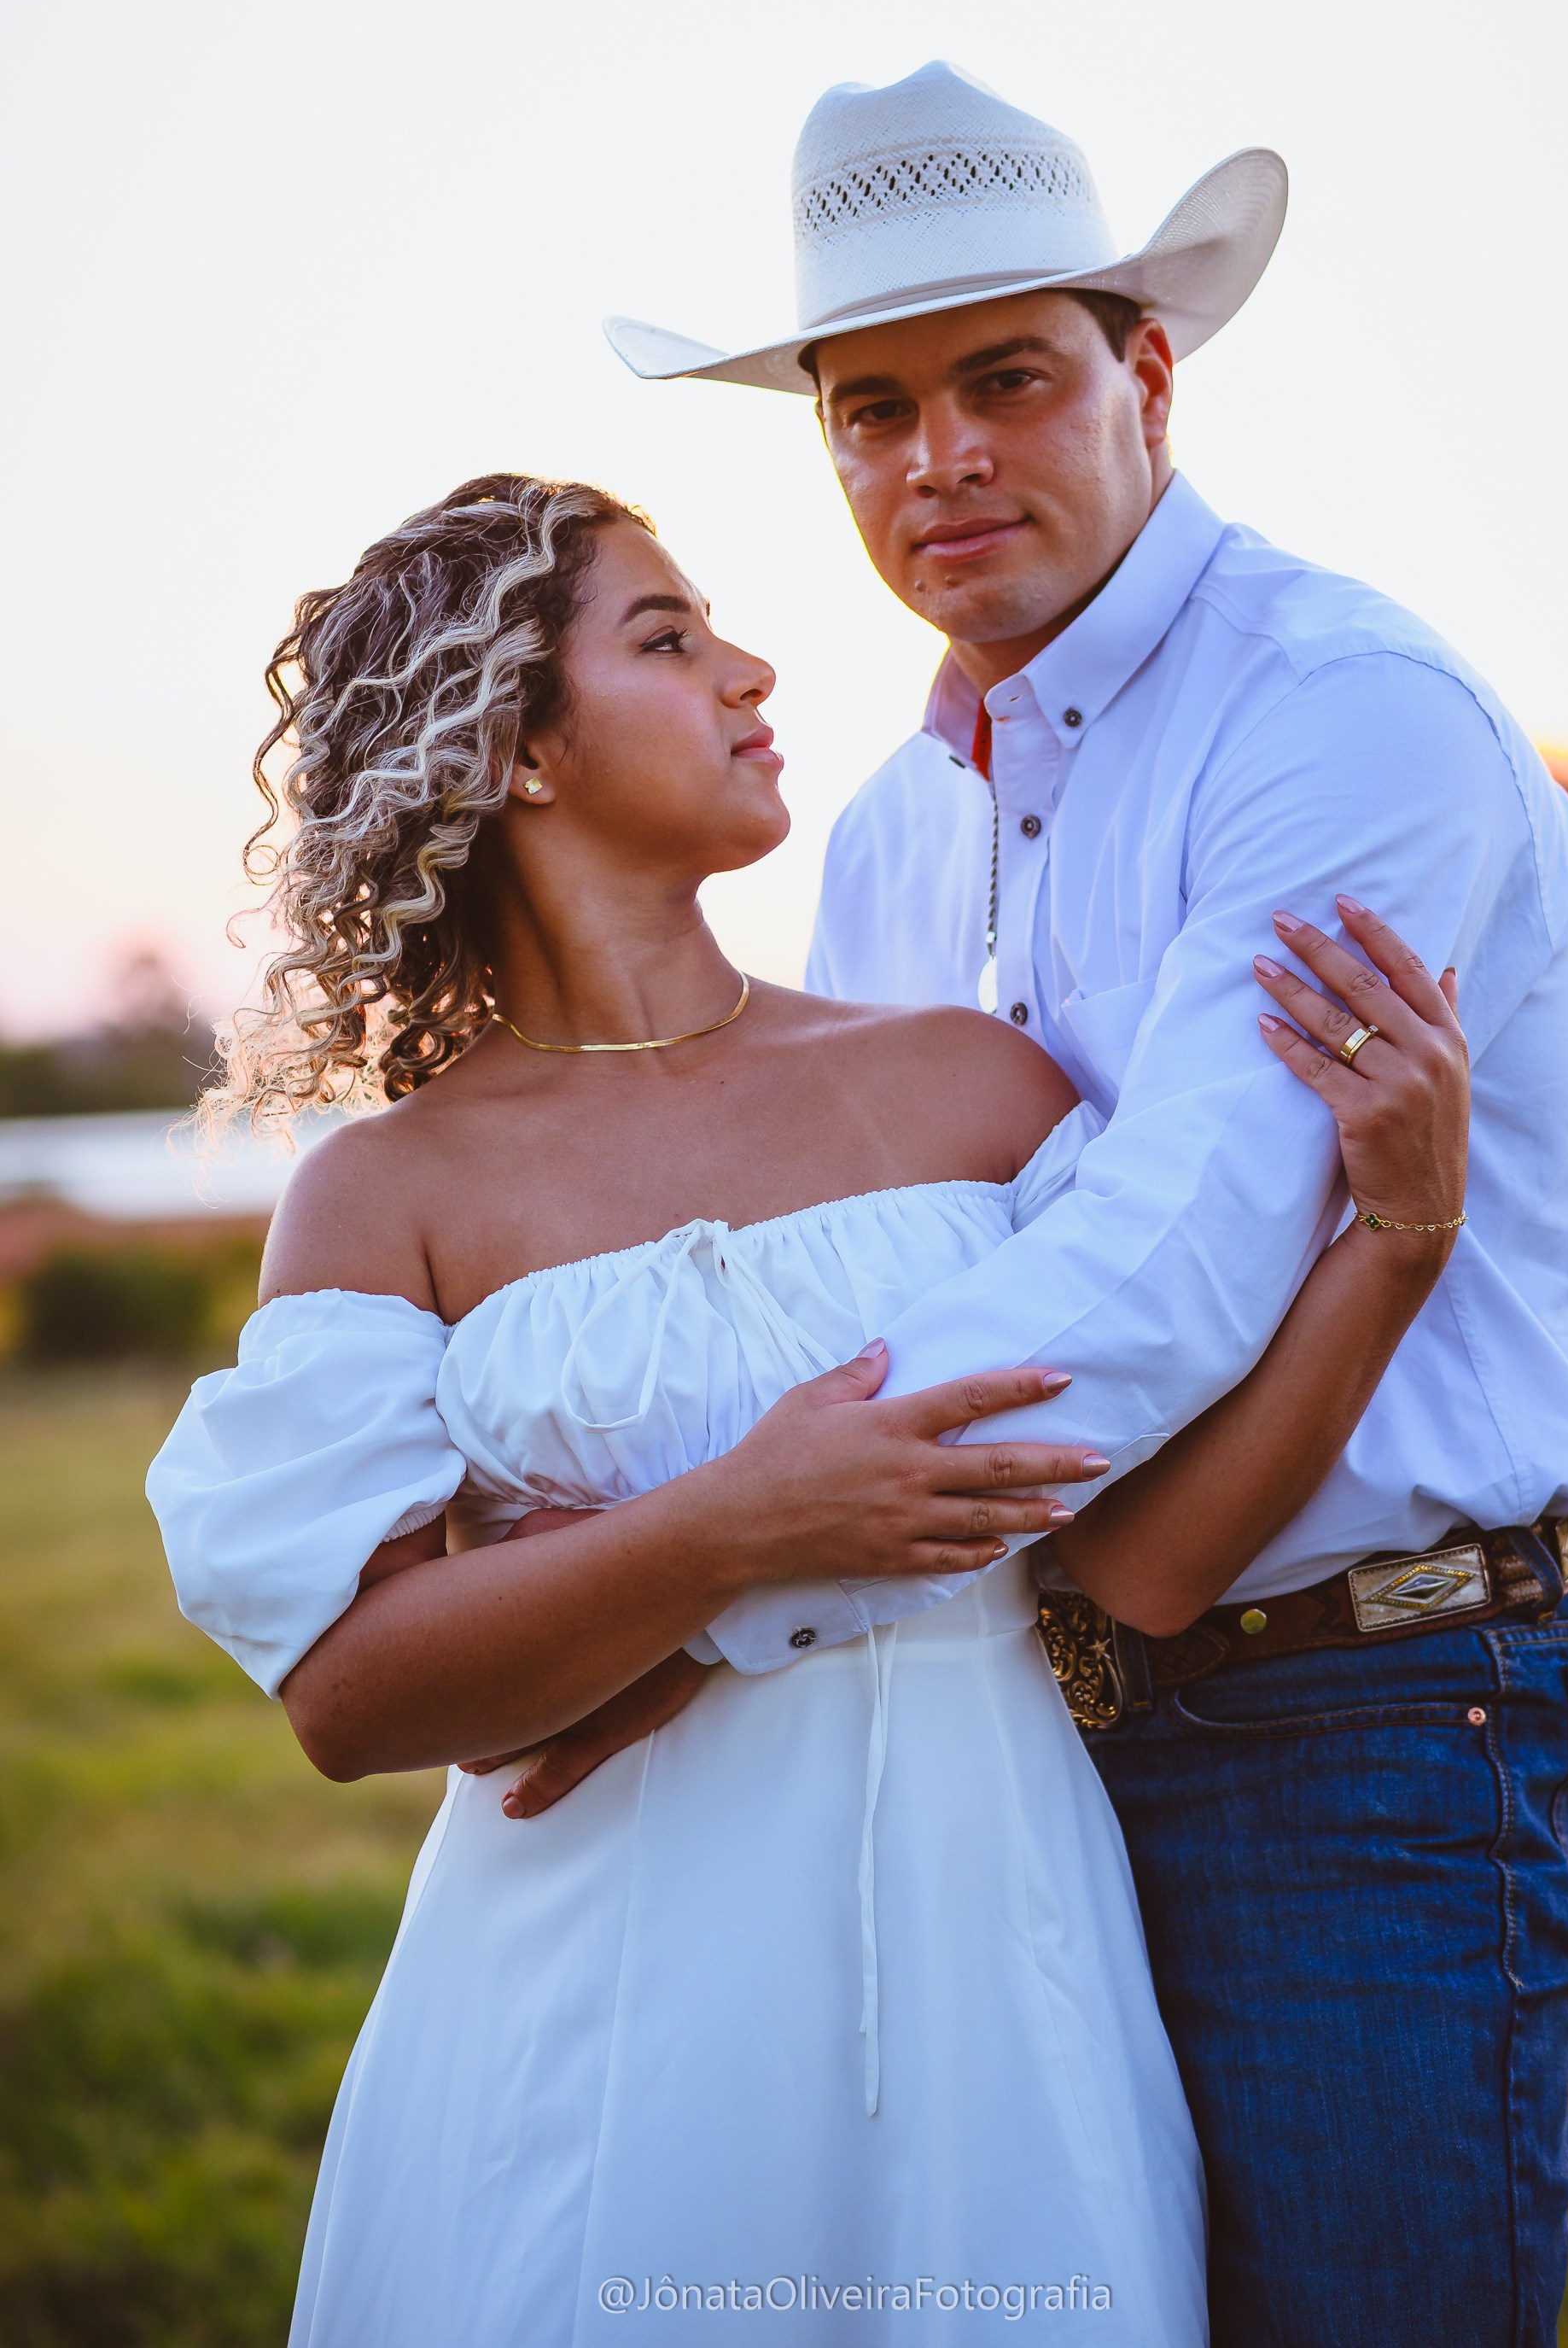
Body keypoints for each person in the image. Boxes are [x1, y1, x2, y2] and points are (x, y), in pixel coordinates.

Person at [149, 474, 1469, 2346]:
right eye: (669, 639)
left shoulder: (964, 1087)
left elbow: (1153, 1570)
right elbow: (350, 1698)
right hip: (582, 1990)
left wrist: (1395, 1243)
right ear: (515, 748)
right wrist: (730, 1526)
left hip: (990, 1965)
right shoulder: (386, 1194)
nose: (755, 671)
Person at [606, 61, 1568, 2345]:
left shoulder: (1341, 718)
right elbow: (861, 1258)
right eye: (871, 411)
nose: (938, 460)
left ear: (1144, 373)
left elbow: (1167, 1269)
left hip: (1369, 1717)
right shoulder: (884, 836)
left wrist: (700, 1556)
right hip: (1012, 1730)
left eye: (1004, 379)